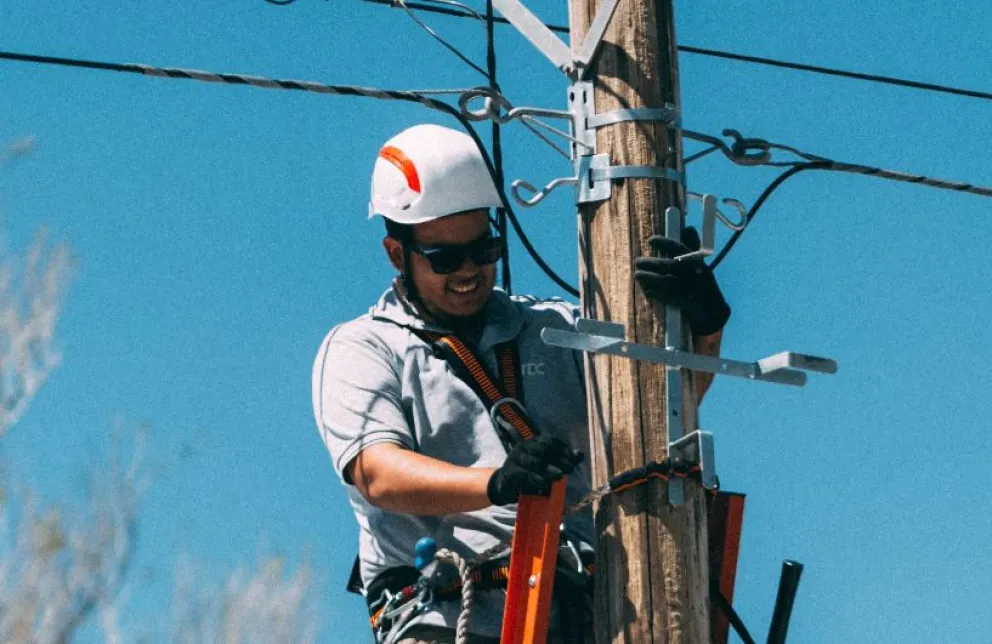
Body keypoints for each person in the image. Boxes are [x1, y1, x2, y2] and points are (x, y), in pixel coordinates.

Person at [311, 123, 731, 644]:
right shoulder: (366, 348)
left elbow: (660, 416)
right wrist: (496, 482)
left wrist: (705, 329)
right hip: (450, 621)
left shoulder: (556, 331)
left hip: (582, 617)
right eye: (445, 259)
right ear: (398, 254)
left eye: (483, 250)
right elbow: (377, 473)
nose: (469, 271)